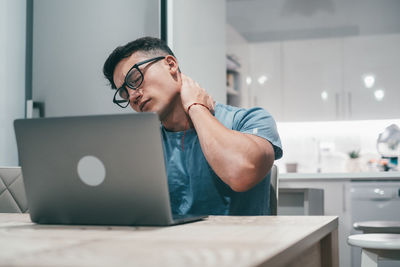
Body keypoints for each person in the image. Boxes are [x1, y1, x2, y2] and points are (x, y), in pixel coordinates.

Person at [103, 37, 282, 215]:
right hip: (171, 243)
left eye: (135, 79)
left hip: (241, 242)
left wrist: (196, 107)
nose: (133, 96)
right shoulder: (146, 146)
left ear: (171, 65)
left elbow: (241, 174)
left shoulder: (249, 120)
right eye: (124, 93)